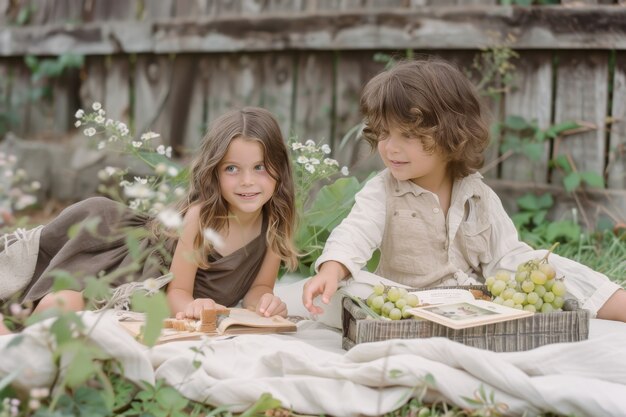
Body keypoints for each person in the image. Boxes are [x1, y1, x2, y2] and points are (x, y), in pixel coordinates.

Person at [302, 59, 626, 323]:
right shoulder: (382, 191)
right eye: (384, 133)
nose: (391, 147)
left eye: (408, 135)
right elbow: (356, 232)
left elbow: (507, 256)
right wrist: (334, 267)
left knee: (546, 266)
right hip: (406, 304)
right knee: (352, 288)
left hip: (472, 304)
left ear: (451, 134)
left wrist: (538, 272)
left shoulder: (477, 194)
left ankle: (614, 302)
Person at [1, 107, 298, 334]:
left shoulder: (275, 222)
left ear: (279, 169)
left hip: (147, 281)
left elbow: (259, 288)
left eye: (259, 167)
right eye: (232, 169)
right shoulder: (202, 217)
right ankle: (16, 340)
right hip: (130, 268)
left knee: (66, 309)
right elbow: (177, 294)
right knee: (60, 301)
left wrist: (265, 302)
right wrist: (193, 305)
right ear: (215, 172)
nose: (247, 181)